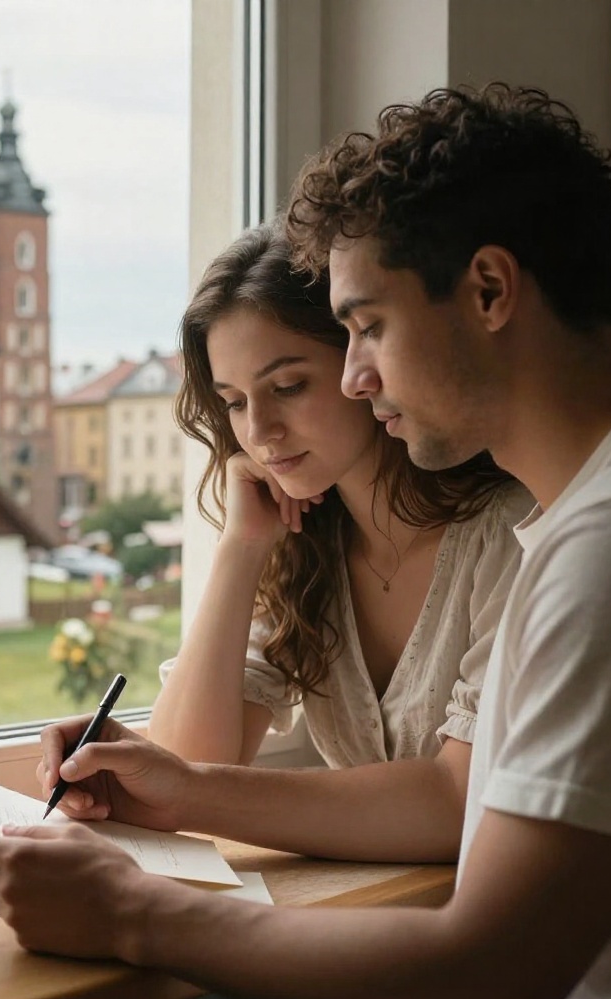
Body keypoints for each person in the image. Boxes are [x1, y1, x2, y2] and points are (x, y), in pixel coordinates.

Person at [0, 84, 611, 999]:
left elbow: (489, 972)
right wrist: (182, 788)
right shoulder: (595, 519)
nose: (354, 373)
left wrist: (131, 911)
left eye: (368, 325)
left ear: (491, 291)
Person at [148, 220, 529, 770]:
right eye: (234, 402)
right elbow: (182, 764)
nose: (258, 431)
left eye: (288, 387)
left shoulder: (509, 533)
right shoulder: (302, 553)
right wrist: (241, 547)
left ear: (361, 365)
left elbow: (466, 799)